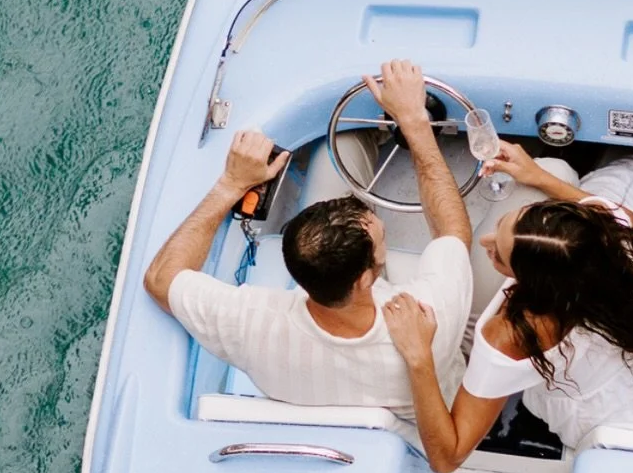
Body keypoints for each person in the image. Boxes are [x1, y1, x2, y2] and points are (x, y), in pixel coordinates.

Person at [143, 58, 472, 414]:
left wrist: (231, 184)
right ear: (365, 278)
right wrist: (415, 125)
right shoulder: (431, 317)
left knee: (341, 146)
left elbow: (161, 280)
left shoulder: (253, 322)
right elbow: (452, 231)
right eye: (381, 243)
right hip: (445, 381)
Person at [384, 141, 633, 472]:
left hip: (608, 420)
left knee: (612, 184)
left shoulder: (514, 331)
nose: (484, 243)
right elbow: (590, 216)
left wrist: (419, 358)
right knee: (625, 182)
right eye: (501, 227)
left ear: (537, 284)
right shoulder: (619, 232)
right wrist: (537, 175)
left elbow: (447, 457)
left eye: (498, 255)